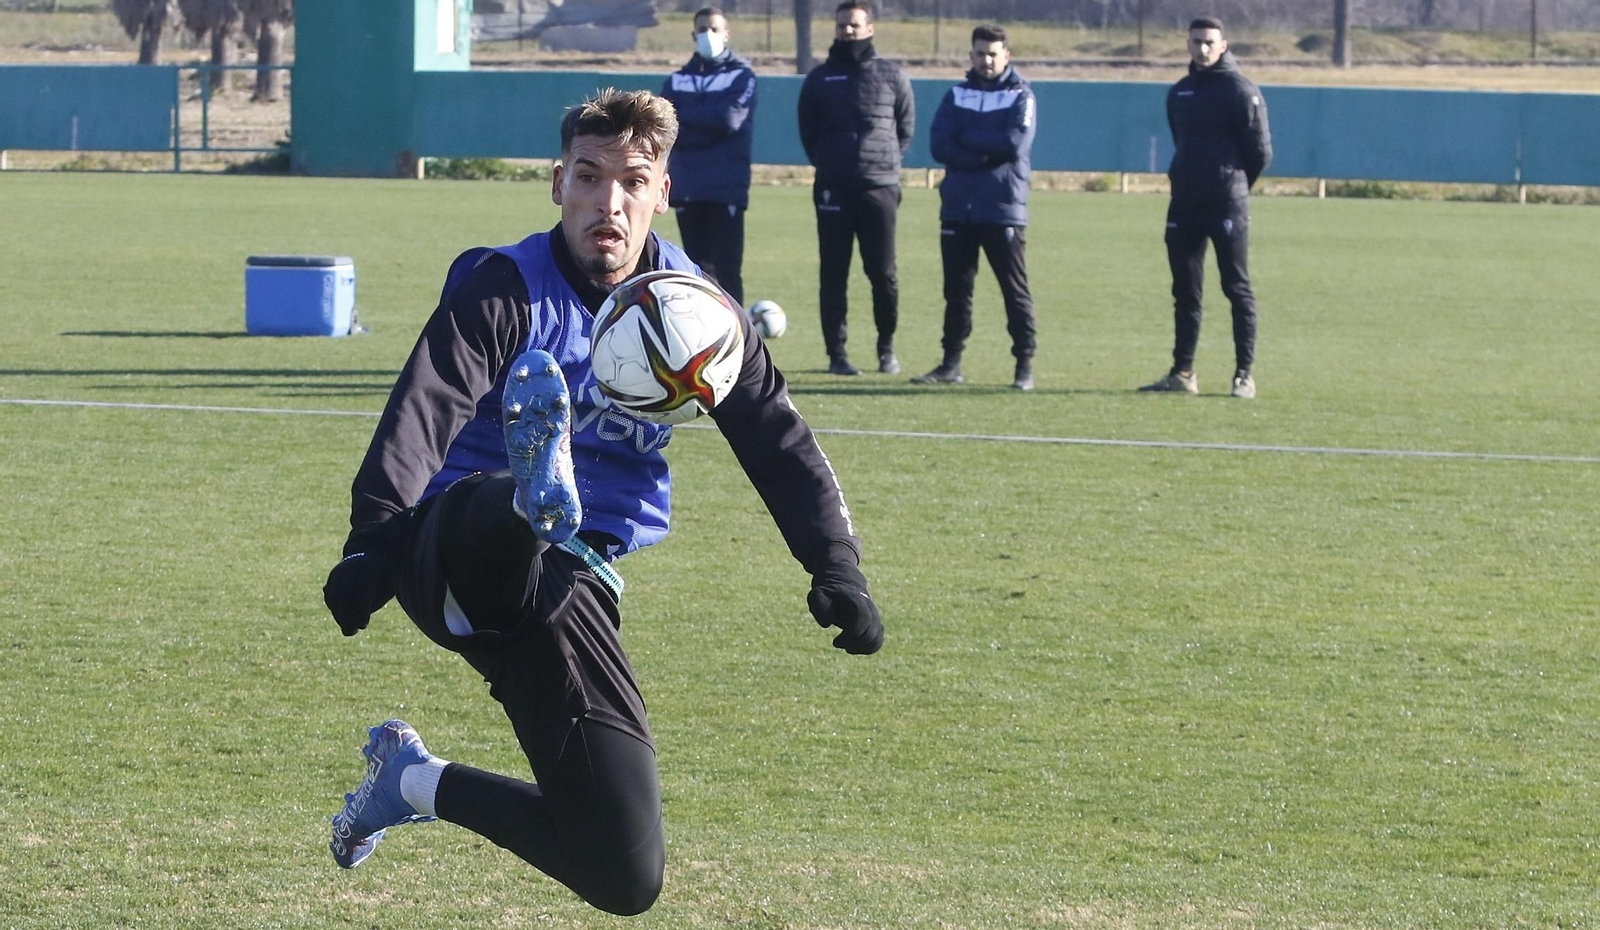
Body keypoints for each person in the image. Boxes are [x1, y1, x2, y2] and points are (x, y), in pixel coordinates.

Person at [320, 88, 884, 917]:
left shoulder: (697, 314)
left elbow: (775, 435)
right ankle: (530, 498)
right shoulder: (503, 285)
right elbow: (426, 405)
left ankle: (413, 781)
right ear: (558, 184)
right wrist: (373, 540)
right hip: (444, 546)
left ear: (662, 192)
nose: (607, 202)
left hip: (573, 590)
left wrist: (836, 565)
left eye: (632, 181)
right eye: (588, 178)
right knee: (502, 509)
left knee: (625, 871)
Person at [1138, 16, 1272, 399]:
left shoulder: (1240, 90)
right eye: (1196, 42)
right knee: (1185, 291)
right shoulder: (1180, 92)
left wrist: (1234, 186)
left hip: (1227, 203)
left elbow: (1260, 152)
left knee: (1237, 287)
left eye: (1210, 42)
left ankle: (1243, 374)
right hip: (1185, 204)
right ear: (1188, 43)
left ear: (1224, 45)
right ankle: (1182, 373)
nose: (1203, 49)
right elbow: (1182, 141)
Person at [912, 24, 1038, 392]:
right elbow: (939, 144)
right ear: (971, 56)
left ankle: (1023, 364)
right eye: (980, 53)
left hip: (1002, 209)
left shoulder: (1021, 95)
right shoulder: (956, 94)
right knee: (956, 291)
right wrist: (985, 150)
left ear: (1006, 56)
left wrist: (968, 142)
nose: (986, 60)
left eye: (993, 54)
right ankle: (951, 363)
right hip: (957, 207)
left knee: (1014, 291)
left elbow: (1013, 143)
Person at [797, 0, 915, 377]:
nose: (847, 31)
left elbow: (905, 128)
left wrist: (883, 164)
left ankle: (886, 347)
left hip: (879, 187)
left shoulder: (891, 75)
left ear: (870, 28)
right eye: (842, 25)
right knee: (833, 273)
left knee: (883, 272)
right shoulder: (820, 78)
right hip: (833, 188)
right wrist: (831, 164)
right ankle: (838, 354)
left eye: (854, 25)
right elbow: (808, 131)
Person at [660, 6, 757, 306]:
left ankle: (737, 341)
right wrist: (706, 123)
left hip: (726, 187)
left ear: (726, 34)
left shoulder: (743, 76)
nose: (708, 35)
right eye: (702, 29)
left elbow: (729, 120)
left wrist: (690, 121)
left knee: (729, 272)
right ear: (693, 34)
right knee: (694, 272)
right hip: (689, 186)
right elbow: (668, 125)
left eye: (714, 29)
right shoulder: (677, 80)